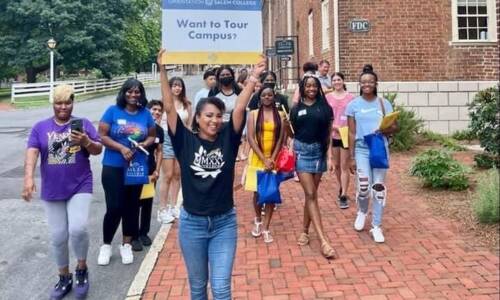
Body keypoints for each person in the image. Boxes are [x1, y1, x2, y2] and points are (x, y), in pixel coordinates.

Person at [157, 48, 266, 300]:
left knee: (221, 288)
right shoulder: (185, 141)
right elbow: (169, 109)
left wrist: (253, 77)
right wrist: (162, 69)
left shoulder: (228, 138)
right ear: (197, 118)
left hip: (223, 223)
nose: (215, 120)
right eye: (208, 115)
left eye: (218, 116)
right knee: (197, 289)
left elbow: (239, 109)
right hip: (192, 224)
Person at [22, 84, 102, 299]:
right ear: (53, 104)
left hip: (80, 185)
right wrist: (28, 178)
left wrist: (85, 141)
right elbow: (32, 152)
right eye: (59, 102)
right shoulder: (40, 127)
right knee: (58, 236)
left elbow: (98, 149)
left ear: (73, 103)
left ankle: (82, 270)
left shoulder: (83, 124)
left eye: (67, 102)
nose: (63, 107)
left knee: (78, 228)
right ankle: (64, 277)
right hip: (52, 189)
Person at [97, 78, 156, 265]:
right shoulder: (112, 111)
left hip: (136, 166)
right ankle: (106, 245)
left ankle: (126, 245)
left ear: (141, 94)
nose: (133, 95)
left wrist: (142, 144)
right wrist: (121, 148)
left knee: (132, 207)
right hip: (113, 165)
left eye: (137, 91)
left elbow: (152, 136)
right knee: (114, 206)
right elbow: (102, 135)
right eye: (129, 91)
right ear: (124, 93)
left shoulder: (146, 114)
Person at [346, 64, 398, 243]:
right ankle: (362, 211)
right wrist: (351, 157)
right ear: (359, 84)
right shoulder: (353, 105)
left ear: (376, 83)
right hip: (361, 148)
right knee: (363, 185)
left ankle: (376, 225)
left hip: (379, 147)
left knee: (378, 188)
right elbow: (351, 132)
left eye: (370, 81)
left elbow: (394, 127)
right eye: (363, 82)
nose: (367, 84)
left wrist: (384, 129)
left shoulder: (384, 103)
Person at [290, 74, 336, 259]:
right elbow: (291, 133)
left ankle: (304, 230)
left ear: (318, 88)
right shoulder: (296, 109)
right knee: (310, 194)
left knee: (312, 196)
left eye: (314, 86)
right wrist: (286, 127)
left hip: (318, 152)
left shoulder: (325, 108)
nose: (311, 89)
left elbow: (328, 135)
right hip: (301, 152)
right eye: (307, 86)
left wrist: (330, 156)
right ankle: (323, 240)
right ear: (302, 88)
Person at [245, 86, 286, 243]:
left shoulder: (281, 115)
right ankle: (257, 220)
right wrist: (263, 159)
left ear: (274, 96)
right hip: (257, 158)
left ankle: (266, 228)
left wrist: (272, 159)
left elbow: (281, 139)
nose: (267, 97)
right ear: (259, 98)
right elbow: (250, 138)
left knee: (270, 193)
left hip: (273, 160)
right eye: (264, 95)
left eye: (270, 95)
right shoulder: (253, 115)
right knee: (257, 192)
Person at [131, 100, 165, 251]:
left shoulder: (159, 130)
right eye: (154, 109)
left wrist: (157, 170)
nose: (156, 112)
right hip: (135, 170)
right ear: (147, 111)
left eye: (159, 110)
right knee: (133, 203)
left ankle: (144, 232)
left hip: (151, 170)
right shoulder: (138, 128)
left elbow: (159, 151)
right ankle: (133, 236)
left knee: (147, 202)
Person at [158, 76, 192, 224]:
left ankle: (173, 206)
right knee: (168, 175)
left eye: (179, 86)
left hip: (181, 139)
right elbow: (157, 124)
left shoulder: (187, 104)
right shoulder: (164, 104)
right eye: (174, 85)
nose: (177, 88)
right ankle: (162, 209)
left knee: (178, 175)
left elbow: (189, 124)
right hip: (166, 138)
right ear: (169, 87)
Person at [326, 72, 354, 209]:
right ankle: (341, 186)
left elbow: (353, 117)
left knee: (344, 165)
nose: (337, 82)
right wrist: (333, 127)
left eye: (339, 79)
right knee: (336, 165)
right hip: (333, 135)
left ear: (343, 81)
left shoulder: (351, 98)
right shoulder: (328, 98)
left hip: (345, 134)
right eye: (334, 80)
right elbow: (325, 117)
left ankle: (344, 194)